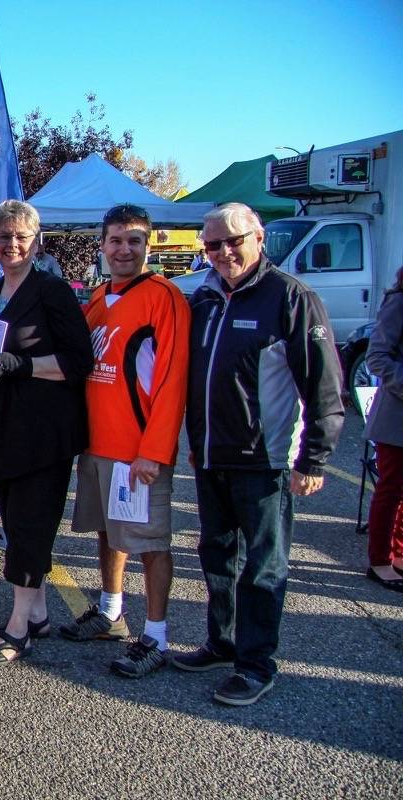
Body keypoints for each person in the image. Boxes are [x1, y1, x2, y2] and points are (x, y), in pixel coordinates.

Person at [173, 202, 344, 706]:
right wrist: (195, 444)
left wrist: (314, 458)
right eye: (212, 245)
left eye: (233, 241)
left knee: (264, 567)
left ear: (259, 237)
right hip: (211, 457)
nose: (223, 252)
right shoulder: (204, 299)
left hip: (264, 461)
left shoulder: (290, 298)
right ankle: (222, 643)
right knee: (217, 555)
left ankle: (255, 664)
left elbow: (325, 387)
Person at [60, 204, 190, 678]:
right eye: (116, 240)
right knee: (108, 533)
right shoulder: (99, 298)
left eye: (134, 240)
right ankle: (111, 612)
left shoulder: (164, 297)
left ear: (148, 245)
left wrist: (153, 452)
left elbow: (173, 379)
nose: (124, 249)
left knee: (150, 542)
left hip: (138, 453)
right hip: (97, 447)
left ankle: (155, 636)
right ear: (102, 244)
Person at [0, 200, 93, 666]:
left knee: (30, 526)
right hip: (0, 430)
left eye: (21, 236)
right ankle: (37, 611)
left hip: (43, 433)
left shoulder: (53, 292)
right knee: (16, 522)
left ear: (37, 242)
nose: (12, 244)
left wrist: (22, 365)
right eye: (4, 236)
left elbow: (79, 363)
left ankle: (18, 627)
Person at [365, 266, 403, 590]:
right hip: (396, 417)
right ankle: (379, 560)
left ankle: (400, 556)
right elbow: (376, 358)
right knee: (390, 490)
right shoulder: (398, 302)